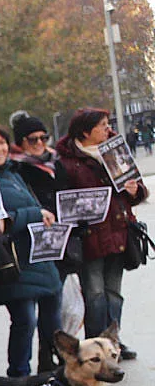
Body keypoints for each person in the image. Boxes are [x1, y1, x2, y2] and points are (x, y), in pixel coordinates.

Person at [0, 123, 62, 377]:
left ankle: (51, 370)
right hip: (13, 261)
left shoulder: (14, 173)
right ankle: (19, 375)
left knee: (53, 317)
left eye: (1, 142)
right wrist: (34, 214)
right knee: (25, 320)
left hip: (39, 255)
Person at [55, 108, 148, 356]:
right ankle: (94, 346)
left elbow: (139, 191)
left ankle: (113, 342)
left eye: (108, 124)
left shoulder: (115, 153)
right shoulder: (66, 163)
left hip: (119, 232)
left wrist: (133, 191)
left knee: (114, 293)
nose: (108, 129)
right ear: (85, 131)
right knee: (94, 293)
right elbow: (61, 201)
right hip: (89, 238)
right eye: (102, 125)